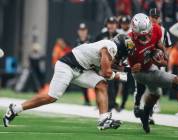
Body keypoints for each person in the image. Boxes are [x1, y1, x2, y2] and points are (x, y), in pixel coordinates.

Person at [3, 36, 135, 130]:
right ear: (121, 47)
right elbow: (106, 72)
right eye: (126, 52)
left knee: (101, 84)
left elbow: (109, 67)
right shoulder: (110, 47)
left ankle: (103, 120)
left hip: (81, 70)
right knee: (51, 97)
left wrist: (128, 70)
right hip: (67, 66)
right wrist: (122, 77)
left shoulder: (110, 48)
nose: (126, 56)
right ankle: (15, 108)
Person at [128, 13, 178, 134]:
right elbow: (114, 62)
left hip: (152, 66)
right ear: (134, 32)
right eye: (142, 36)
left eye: (148, 33)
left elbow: (161, 50)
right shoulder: (128, 41)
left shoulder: (156, 29)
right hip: (139, 72)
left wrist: (163, 57)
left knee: (156, 94)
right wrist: (129, 68)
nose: (146, 38)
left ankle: (145, 115)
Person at [75, 23, 93, 106]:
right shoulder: (76, 41)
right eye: (81, 30)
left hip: (92, 64)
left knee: (98, 82)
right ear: (78, 31)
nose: (82, 32)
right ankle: (87, 100)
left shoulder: (91, 40)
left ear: (86, 31)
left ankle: (100, 101)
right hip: (82, 65)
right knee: (82, 82)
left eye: (84, 30)